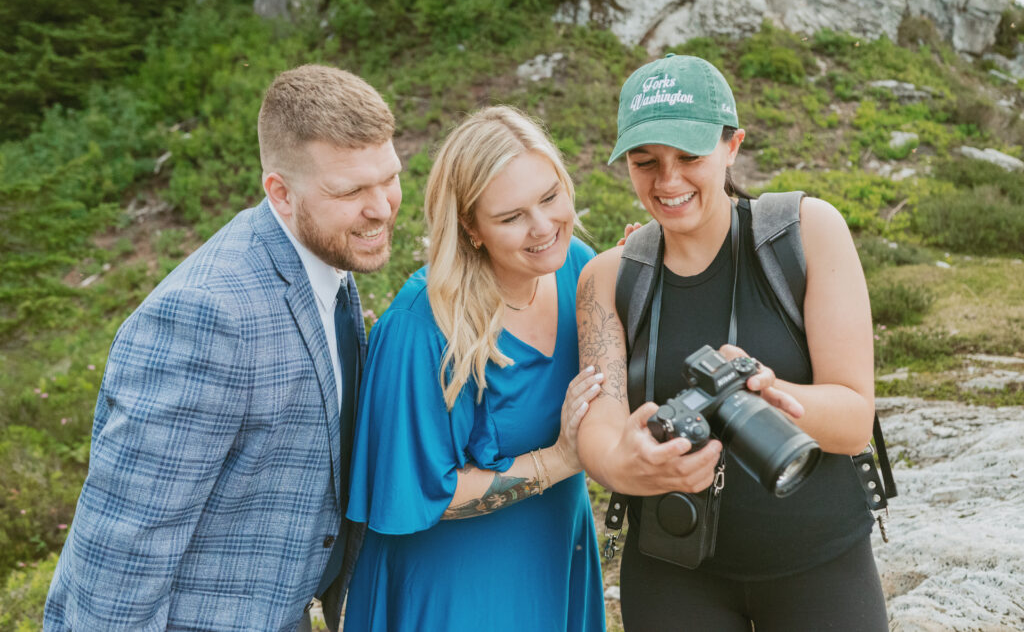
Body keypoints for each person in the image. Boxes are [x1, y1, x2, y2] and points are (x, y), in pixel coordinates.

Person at [44, 64, 402, 632]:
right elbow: (122, 551)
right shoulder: (205, 316)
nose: (382, 207)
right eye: (352, 190)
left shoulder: (323, 256)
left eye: (388, 177)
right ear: (280, 194)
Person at [575, 54, 888, 630]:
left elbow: (852, 417)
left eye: (689, 157)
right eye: (645, 163)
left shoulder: (805, 233)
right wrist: (627, 465)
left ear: (732, 145)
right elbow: (599, 427)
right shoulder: (608, 276)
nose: (667, 182)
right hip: (673, 570)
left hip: (820, 564)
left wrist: (765, 395)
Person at [345, 106, 606, 631]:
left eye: (551, 197)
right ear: (471, 227)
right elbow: (419, 495)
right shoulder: (422, 325)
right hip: (455, 584)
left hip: (555, 548)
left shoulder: (580, 265)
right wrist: (559, 459)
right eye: (511, 217)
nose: (543, 228)